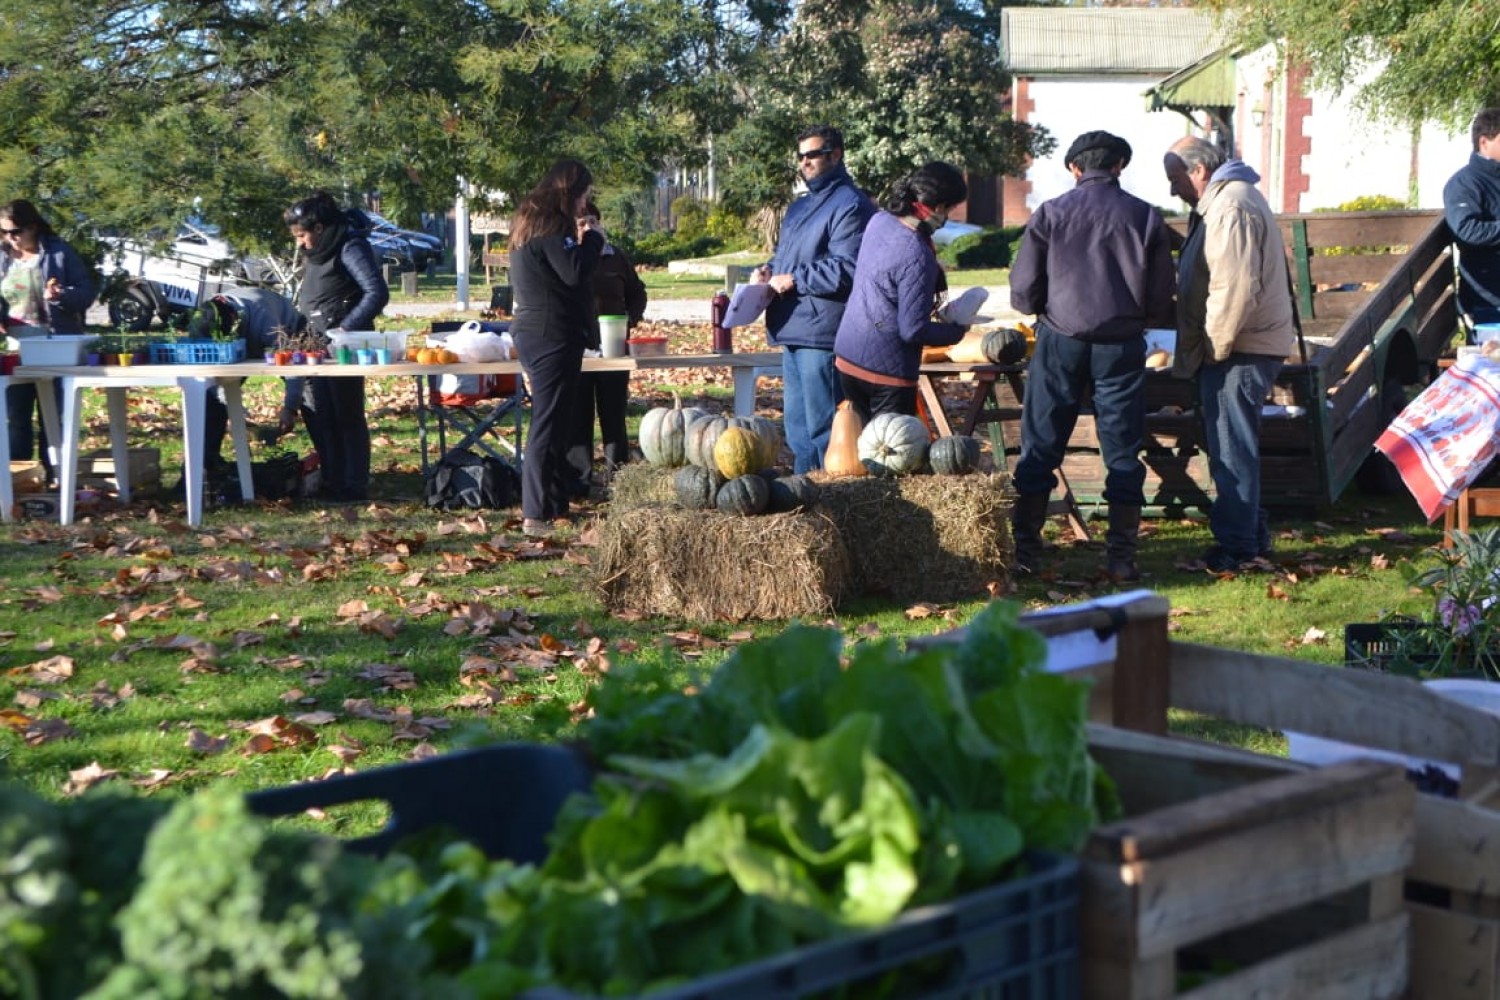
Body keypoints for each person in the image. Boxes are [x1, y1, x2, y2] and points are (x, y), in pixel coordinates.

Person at [1009, 132, 1175, 582]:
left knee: (1040, 446)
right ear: (1120, 165)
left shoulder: (1051, 213)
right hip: (1121, 344)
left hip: (1060, 340)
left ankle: (1026, 551)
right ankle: (1121, 557)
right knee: (1122, 451)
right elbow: (1162, 298)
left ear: (1074, 169)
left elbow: (1023, 293)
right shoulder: (1145, 216)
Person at [1163, 136, 1297, 571]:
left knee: (1230, 447)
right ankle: (1251, 538)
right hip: (1245, 342)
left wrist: (1216, 348)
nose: (1172, 189)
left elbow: (1233, 287)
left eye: (1175, 178)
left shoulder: (1230, 206)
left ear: (1199, 171)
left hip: (1240, 346)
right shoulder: (1230, 201)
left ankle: (1238, 547)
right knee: (1234, 444)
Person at [753, 125, 875, 473]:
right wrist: (768, 270)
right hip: (791, 326)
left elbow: (848, 268)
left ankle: (833, 501)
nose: (805, 162)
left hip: (821, 333)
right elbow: (786, 261)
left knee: (826, 431)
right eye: (801, 156)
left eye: (813, 154)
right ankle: (805, 498)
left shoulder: (851, 204)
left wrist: (794, 278)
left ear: (835, 155)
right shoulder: (799, 207)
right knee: (798, 432)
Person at [508, 159, 605, 537]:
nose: (585, 204)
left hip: (539, 330)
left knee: (557, 419)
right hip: (550, 333)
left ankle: (552, 501)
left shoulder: (530, 222)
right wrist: (594, 238)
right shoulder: (551, 226)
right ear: (570, 191)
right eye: (584, 195)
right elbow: (574, 271)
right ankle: (534, 512)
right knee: (547, 424)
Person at [833, 162, 970, 423]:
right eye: (950, 209)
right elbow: (913, 329)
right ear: (938, 206)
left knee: (852, 450)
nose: (948, 217)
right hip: (887, 372)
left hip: (847, 357)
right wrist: (958, 330)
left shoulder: (879, 220)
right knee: (891, 457)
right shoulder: (917, 253)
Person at [281, 192, 389, 503]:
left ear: (320, 228)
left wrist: (345, 329)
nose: (300, 243)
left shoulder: (350, 246)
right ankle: (332, 479)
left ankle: (353, 485)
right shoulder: (317, 252)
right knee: (320, 414)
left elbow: (376, 292)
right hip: (316, 344)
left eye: (302, 236)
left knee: (346, 415)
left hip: (344, 347)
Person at [0, 200, 94, 483]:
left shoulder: (59, 252)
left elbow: (86, 292)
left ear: (33, 227)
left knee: (53, 416)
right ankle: (20, 478)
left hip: (56, 345)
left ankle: (57, 476)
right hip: (16, 347)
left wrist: (61, 295)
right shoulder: (3, 255)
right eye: (3, 233)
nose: (9, 239)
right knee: (16, 416)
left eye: (15, 232)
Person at [565, 200, 646, 497]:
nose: (588, 227)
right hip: (579, 349)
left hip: (614, 348)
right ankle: (579, 481)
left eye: (592, 221)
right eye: (581, 223)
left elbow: (637, 292)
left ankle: (618, 478)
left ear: (601, 223)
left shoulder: (617, 257)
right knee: (578, 415)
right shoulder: (569, 256)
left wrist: (630, 321)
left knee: (613, 414)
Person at [1444, 108, 1500, 328]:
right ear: (1484, 142)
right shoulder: (1464, 183)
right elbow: (1468, 230)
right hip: (1488, 300)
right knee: (1491, 362)